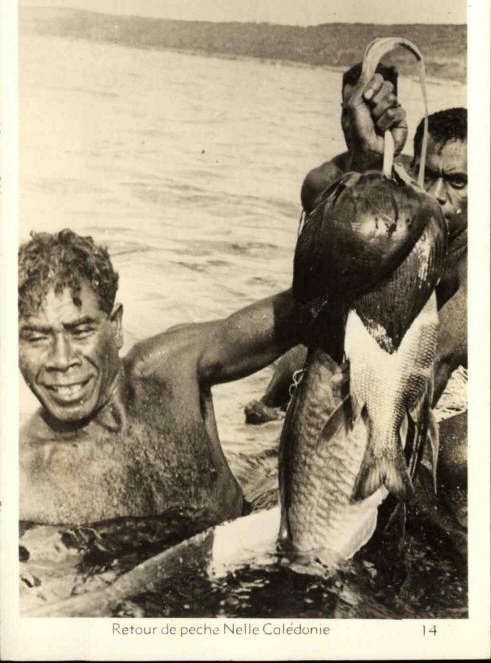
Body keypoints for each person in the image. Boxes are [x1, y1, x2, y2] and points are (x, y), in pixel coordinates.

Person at [19, 229, 304, 527]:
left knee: (297, 365)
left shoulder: (173, 369)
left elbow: (301, 312)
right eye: (37, 338)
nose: (62, 360)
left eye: (80, 332)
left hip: (253, 517)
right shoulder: (24, 480)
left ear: (115, 327)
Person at [245, 65, 467, 425]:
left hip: (444, 374)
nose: (439, 195)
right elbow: (315, 190)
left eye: (458, 182)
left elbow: (436, 360)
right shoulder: (407, 192)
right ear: (415, 165)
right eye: (430, 175)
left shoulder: (473, 263)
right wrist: (364, 158)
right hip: (387, 344)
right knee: (293, 361)